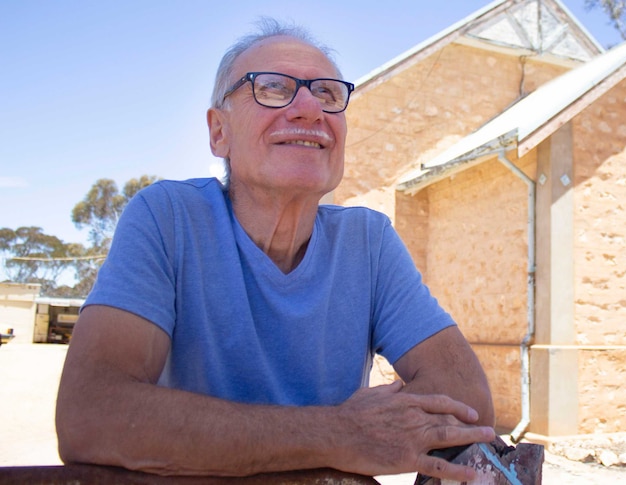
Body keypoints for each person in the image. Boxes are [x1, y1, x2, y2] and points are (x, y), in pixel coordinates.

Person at [55, 18, 495, 482]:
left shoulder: (368, 241)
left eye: (327, 94)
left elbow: (466, 398)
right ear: (219, 132)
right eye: (272, 87)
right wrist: (338, 434)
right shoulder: (169, 219)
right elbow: (91, 413)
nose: (310, 109)